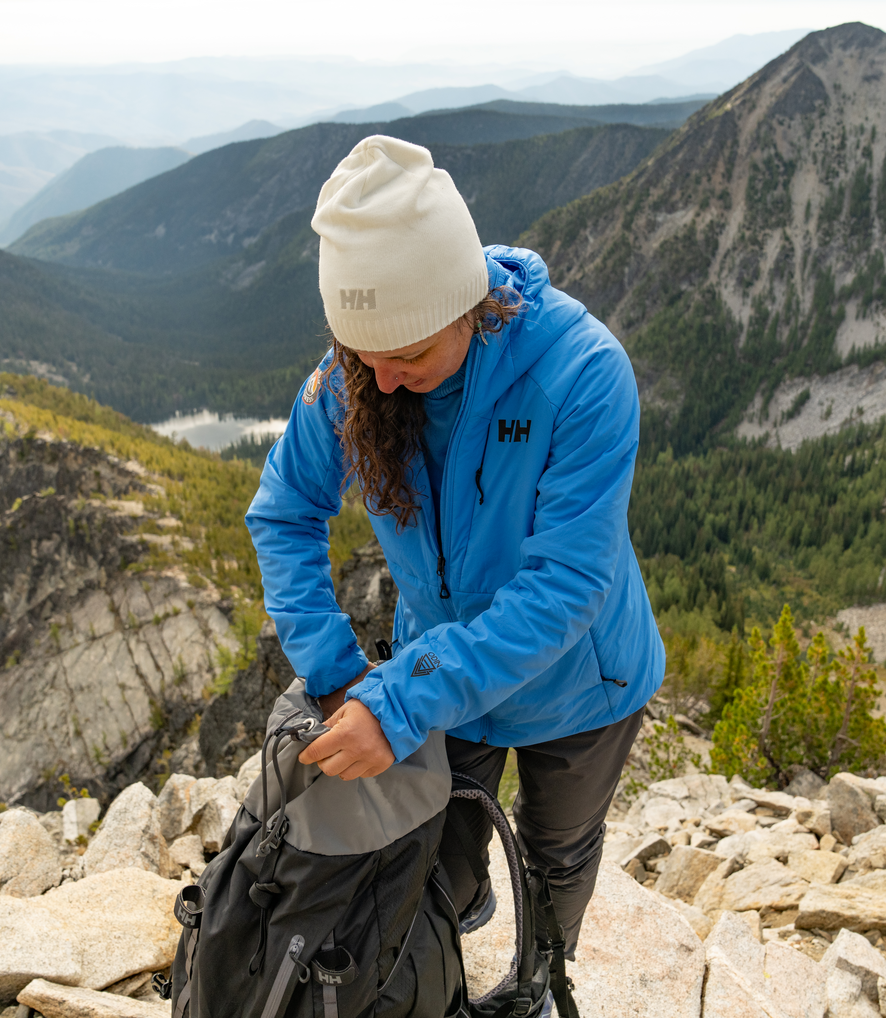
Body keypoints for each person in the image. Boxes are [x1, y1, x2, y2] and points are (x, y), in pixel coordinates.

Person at [244, 134, 664, 975]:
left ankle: (540, 973)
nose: (386, 383)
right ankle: (443, 959)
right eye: (367, 358)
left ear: (466, 305)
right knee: (439, 856)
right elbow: (284, 512)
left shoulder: (584, 374)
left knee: (557, 853)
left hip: (581, 687)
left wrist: (398, 703)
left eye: (409, 358)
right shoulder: (353, 378)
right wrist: (335, 676)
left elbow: (565, 587)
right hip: (445, 684)